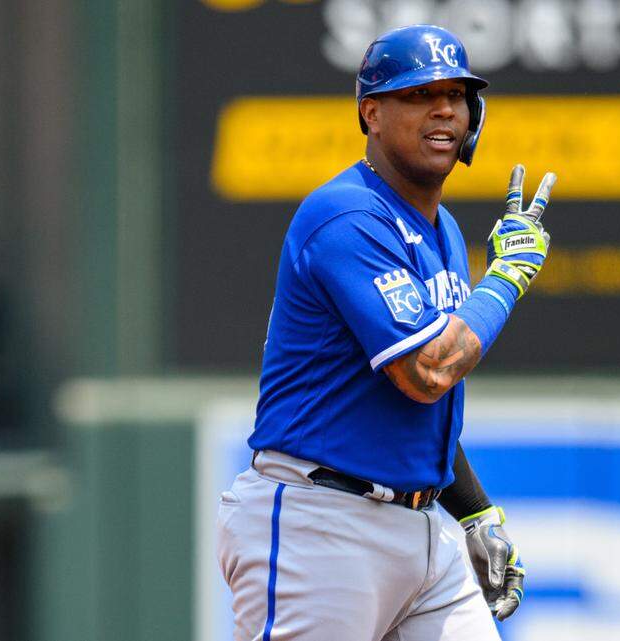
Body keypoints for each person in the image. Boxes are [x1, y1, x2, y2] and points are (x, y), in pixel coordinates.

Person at [216, 24, 556, 641]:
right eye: (420, 94)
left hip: (421, 529)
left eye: (457, 94)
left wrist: (474, 511)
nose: (445, 109)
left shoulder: (443, 229)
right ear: (371, 113)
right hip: (320, 524)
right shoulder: (347, 215)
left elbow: (413, 413)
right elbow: (427, 373)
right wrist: (505, 277)